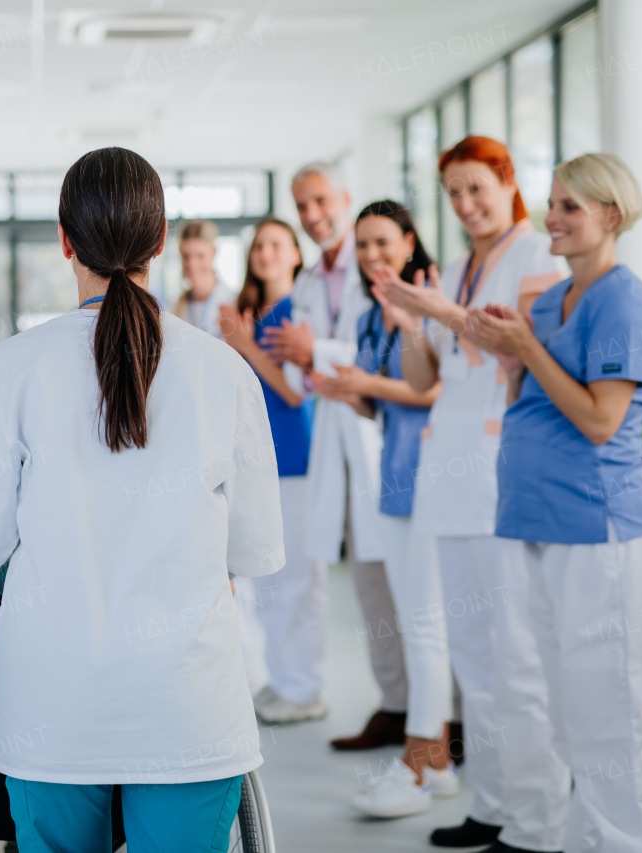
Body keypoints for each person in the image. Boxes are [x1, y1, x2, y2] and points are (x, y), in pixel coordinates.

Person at [0, 147, 284, 852]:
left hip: (56, 710)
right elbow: (250, 550)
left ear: (65, 241)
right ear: (161, 242)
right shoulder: (224, 370)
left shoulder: (16, 367)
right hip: (188, 709)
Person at [465, 153, 642, 853]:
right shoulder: (553, 300)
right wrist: (510, 348)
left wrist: (526, 344)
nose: (549, 217)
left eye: (569, 207)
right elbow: (536, 394)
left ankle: (628, 843)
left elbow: (597, 419)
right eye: (550, 202)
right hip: (541, 524)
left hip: (604, 531)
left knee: (616, 714)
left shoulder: (625, 299)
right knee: (569, 710)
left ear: (611, 216)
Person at [375, 136, 571, 849]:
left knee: (515, 653)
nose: (465, 204)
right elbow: (427, 379)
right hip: (446, 475)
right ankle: (492, 802)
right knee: (471, 654)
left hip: (499, 475)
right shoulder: (456, 267)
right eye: (453, 192)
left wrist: (437, 308)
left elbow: (518, 347)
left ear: (507, 181)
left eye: (476, 188)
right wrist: (409, 322)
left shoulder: (535, 257)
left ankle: (540, 818)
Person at [310, 201, 456, 817]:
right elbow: (380, 405)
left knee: (426, 624)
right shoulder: (373, 313)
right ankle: (436, 765)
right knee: (412, 620)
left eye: (383, 242)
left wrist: (402, 332)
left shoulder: (434, 297)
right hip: (394, 479)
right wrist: (351, 391)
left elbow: (430, 388)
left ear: (410, 241)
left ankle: (422, 764)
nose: (372, 255)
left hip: (435, 478)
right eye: (363, 244)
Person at [261, 163, 404, 741]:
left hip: (379, 441)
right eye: (302, 205)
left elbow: (384, 350)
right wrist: (308, 354)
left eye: (320, 200)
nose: (313, 214)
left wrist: (312, 347)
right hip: (338, 445)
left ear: (345, 197)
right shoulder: (310, 282)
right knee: (370, 587)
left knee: (404, 585)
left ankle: (435, 716)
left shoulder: (376, 262)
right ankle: (395, 704)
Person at [219, 217, 323, 725]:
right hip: (257, 460)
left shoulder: (299, 314)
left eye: (277, 244)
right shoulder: (253, 312)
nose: (265, 253)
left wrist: (245, 343)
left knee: (298, 579)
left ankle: (304, 688)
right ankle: (282, 681)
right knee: (265, 579)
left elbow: (294, 391)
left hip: (296, 459)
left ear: (297, 255)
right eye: (258, 245)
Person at [171, 219, 234, 338]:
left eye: (200, 256)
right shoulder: (173, 308)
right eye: (186, 256)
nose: (192, 264)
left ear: (214, 253)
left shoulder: (233, 301)